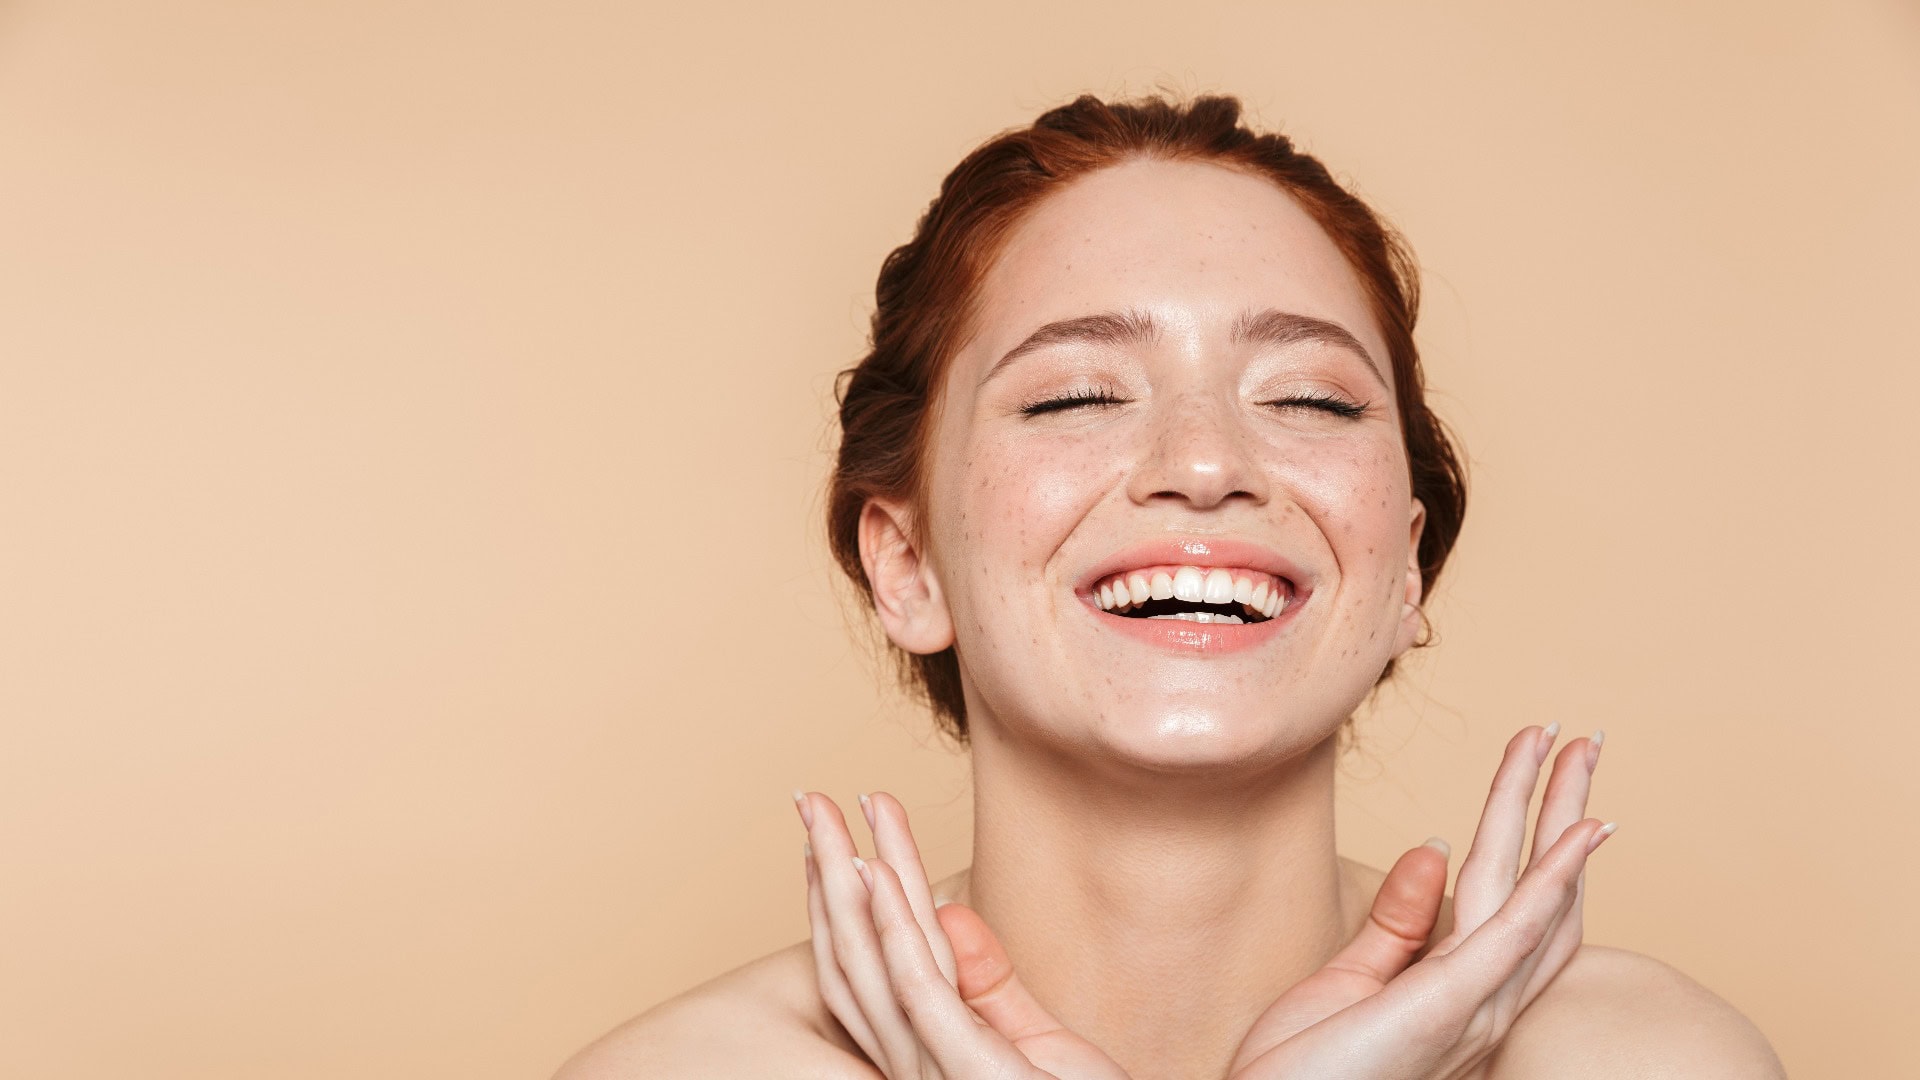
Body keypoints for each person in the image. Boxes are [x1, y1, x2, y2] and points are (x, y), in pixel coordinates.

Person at [556, 94, 1784, 1079]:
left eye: (1308, 397)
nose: (1204, 465)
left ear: (1407, 562)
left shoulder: (1643, 1058)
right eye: (1076, 396)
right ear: (907, 561)